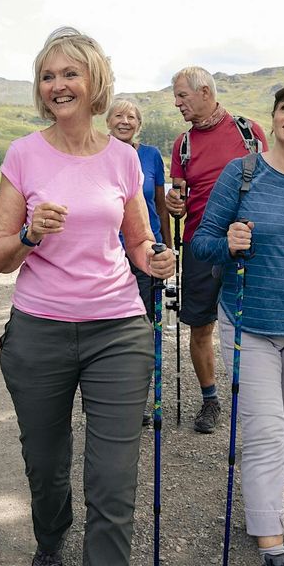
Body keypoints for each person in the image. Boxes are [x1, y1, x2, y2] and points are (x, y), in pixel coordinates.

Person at [0, 28, 176, 566]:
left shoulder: (122, 158)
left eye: (70, 73)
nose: (58, 85)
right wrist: (29, 234)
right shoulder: (23, 154)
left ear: (95, 83)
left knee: (114, 481)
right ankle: (51, 541)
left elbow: (139, 241)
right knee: (45, 467)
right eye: (48, 76)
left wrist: (156, 259)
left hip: (117, 329)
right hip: (38, 332)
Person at [192, 84, 284, 566]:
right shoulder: (243, 173)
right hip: (248, 321)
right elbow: (201, 244)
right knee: (265, 429)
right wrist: (229, 242)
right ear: (273, 118)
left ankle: (264, 508)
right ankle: (269, 540)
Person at [166, 66, 268, 434]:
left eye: (182, 96)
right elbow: (179, 194)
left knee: (254, 326)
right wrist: (175, 203)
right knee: (199, 326)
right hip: (200, 245)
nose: (177, 103)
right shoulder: (183, 144)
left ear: (205, 91)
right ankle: (211, 400)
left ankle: (258, 401)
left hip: (246, 244)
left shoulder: (248, 132)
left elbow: (269, 179)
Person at [106, 98, 172, 427]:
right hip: (110, 254)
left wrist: (168, 250)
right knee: (111, 328)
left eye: (132, 117)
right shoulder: (98, 152)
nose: (125, 121)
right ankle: (107, 395)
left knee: (144, 328)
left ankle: (138, 399)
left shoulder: (150, 156)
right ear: (107, 121)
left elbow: (160, 205)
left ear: (139, 124)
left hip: (146, 252)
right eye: (119, 115)